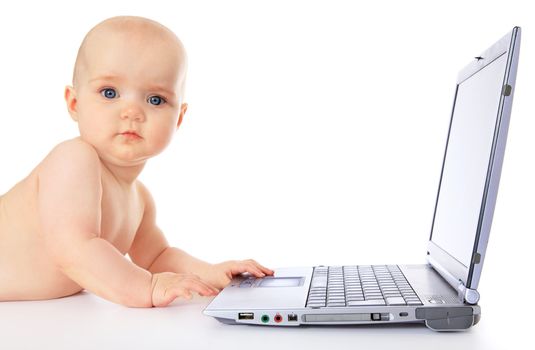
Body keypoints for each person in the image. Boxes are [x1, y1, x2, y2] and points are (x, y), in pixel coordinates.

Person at [0, 16, 273, 307]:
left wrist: (210, 273)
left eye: (155, 100)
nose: (131, 111)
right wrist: (147, 287)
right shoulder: (73, 160)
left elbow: (156, 257)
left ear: (178, 118)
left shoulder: (139, 199)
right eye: (110, 93)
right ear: (74, 103)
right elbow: (73, 250)